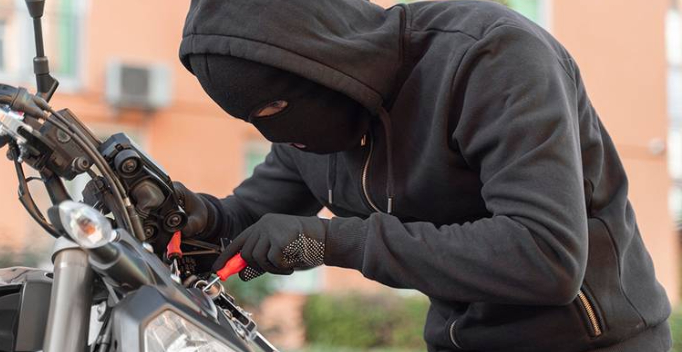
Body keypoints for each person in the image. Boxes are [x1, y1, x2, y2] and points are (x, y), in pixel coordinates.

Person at [175, 0, 672, 351]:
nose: (274, 131)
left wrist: (328, 243)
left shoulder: (489, 57)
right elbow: (247, 219)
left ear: (318, 61)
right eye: (251, 119)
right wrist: (192, 215)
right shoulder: (312, 132)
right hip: (457, 341)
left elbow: (547, 256)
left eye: (275, 107)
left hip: (590, 342)